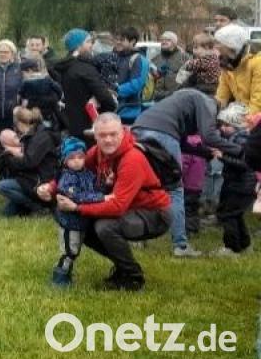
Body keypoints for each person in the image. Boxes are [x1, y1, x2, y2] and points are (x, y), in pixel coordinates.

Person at [39, 114, 171, 291]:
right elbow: (71, 171)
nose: (108, 140)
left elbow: (117, 207)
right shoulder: (97, 152)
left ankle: (133, 277)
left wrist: (78, 207)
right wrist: (49, 188)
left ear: (123, 133)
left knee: (104, 226)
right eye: (102, 135)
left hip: (154, 213)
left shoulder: (132, 159)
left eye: (113, 134)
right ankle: (122, 269)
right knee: (82, 225)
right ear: (95, 136)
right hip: (129, 209)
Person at [132, 87, 241, 258]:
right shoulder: (209, 103)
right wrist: (240, 150)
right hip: (162, 133)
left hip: (139, 128)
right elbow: (209, 136)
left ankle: (137, 237)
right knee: (175, 189)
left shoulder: (182, 99)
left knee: (147, 185)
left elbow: (182, 142)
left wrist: (204, 153)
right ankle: (180, 246)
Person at [50, 137, 105, 287]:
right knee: (69, 251)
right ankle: (59, 279)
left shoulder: (88, 174)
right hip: (69, 222)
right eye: (72, 158)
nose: (77, 161)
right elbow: (77, 196)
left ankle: (66, 275)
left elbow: (96, 188)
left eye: (80, 157)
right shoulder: (66, 177)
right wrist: (101, 197)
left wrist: (106, 186)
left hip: (82, 222)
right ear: (65, 160)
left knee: (75, 249)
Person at [0, 107, 61, 217]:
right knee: (6, 214)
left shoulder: (40, 137)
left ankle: (37, 207)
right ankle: (29, 206)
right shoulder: (36, 133)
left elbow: (29, 162)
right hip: (34, 176)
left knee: (2, 186)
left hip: (40, 180)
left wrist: (9, 159)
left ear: (20, 123)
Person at [53, 29, 117, 141]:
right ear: (78, 46)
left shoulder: (64, 67)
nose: (91, 45)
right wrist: (110, 106)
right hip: (90, 125)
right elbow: (105, 97)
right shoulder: (85, 69)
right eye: (88, 42)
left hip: (72, 123)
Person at [212, 103, 254, 257]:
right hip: (239, 184)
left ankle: (232, 248)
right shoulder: (237, 138)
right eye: (221, 124)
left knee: (227, 214)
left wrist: (223, 157)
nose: (222, 128)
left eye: (226, 125)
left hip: (240, 184)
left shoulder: (241, 140)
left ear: (236, 125)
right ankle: (245, 244)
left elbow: (244, 165)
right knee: (236, 214)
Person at [214, 24, 261, 114]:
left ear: (233, 47)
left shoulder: (257, 63)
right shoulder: (228, 65)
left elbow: (257, 105)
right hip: (244, 113)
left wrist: (241, 123)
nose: (217, 48)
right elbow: (221, 97)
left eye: (220, 45)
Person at [112, 27, 150, 124]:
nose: (118, 42)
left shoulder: (139, 59)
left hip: (129, 111)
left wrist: (113, 91)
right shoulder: (113, 57)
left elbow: (136, 85)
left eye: (122, 40)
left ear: (132, 41)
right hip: (113, 109)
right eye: (116, 39)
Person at [18, 58, 64, 128]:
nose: (22, 75)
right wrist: (59, 98)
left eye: (23, 73)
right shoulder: (47, 79)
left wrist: (21, 104)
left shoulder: (26, 83)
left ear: (29, 70)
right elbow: (58, 89)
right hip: (49, 109)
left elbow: (20, 96)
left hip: (34, 110)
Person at [151, 32, 190, 101]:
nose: (164, 42)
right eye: (162, 40)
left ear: (175, 42)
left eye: (168, 40)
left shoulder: (184, 58)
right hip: (157, 98)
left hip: (177, 98)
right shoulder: (155, 59)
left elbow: (189, 79)